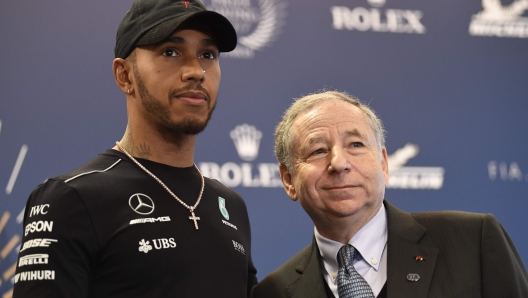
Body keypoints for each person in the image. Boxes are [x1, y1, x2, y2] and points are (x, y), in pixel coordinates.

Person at [13, 0, 257, 297]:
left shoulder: (231, 205)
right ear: (124, 75)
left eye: (207, 54)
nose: (196, 71)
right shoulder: (71, 199)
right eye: (171, 51)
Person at [251, 91, 528, 298]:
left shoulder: (472, 241)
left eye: (356, 144)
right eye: (318, 150)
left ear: (383, 163)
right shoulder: (274, 292)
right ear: (288, 179)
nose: (339, 163)